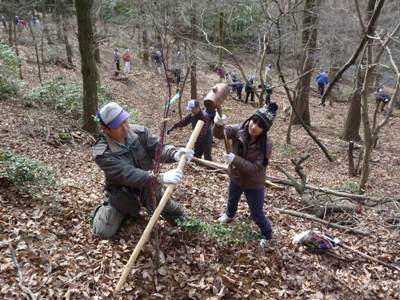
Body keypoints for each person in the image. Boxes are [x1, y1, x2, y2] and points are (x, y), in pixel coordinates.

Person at [91, 102, 193, 239]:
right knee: (103, 231)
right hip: (123, 194)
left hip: (149, 189)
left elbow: (157, 148)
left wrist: (175, 154)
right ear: (106, 129)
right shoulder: (102, 153)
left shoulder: (139, 132)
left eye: (125, 122)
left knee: (182, 220)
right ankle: (111, 211)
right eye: (118, 126)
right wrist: (159, 178)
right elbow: (127, 174)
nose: (125, 128)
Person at [213, 102, 278, 247]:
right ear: (250, 118)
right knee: (232, 200)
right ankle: (229, 215)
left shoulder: (267, 144)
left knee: (256, 213)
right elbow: (219, 135)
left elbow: (256, 168)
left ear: (265, 129)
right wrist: (218, 124)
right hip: (236, 177)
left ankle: (267, 234)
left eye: (260, 125)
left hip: (254, 183)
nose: (254, 127)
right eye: (254, 121)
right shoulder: (239, 129)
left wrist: (235, 159)